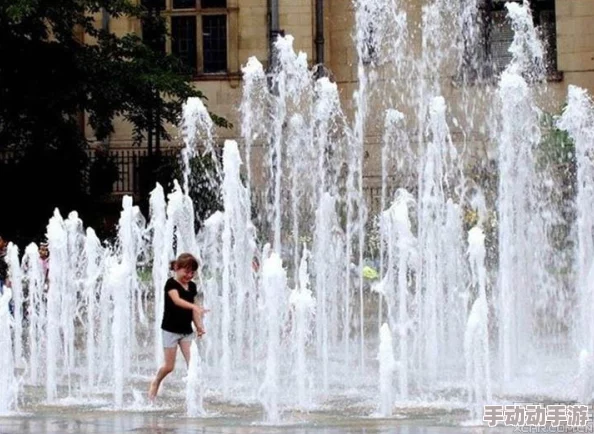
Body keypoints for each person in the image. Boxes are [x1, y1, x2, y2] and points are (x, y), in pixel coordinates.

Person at [148, 253, 208, 401]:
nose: (189, 275)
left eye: (192, 272)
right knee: (169, 366)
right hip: (170, 330)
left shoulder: (192, 286)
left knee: (193, 364)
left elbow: (193, 311)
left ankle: (194, 399)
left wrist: (199, 326)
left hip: (186, 331)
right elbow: (177, 300)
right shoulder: (171, 284)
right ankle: (156, 381)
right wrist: (195, 306)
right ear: (176, 268)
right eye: (186, 271)